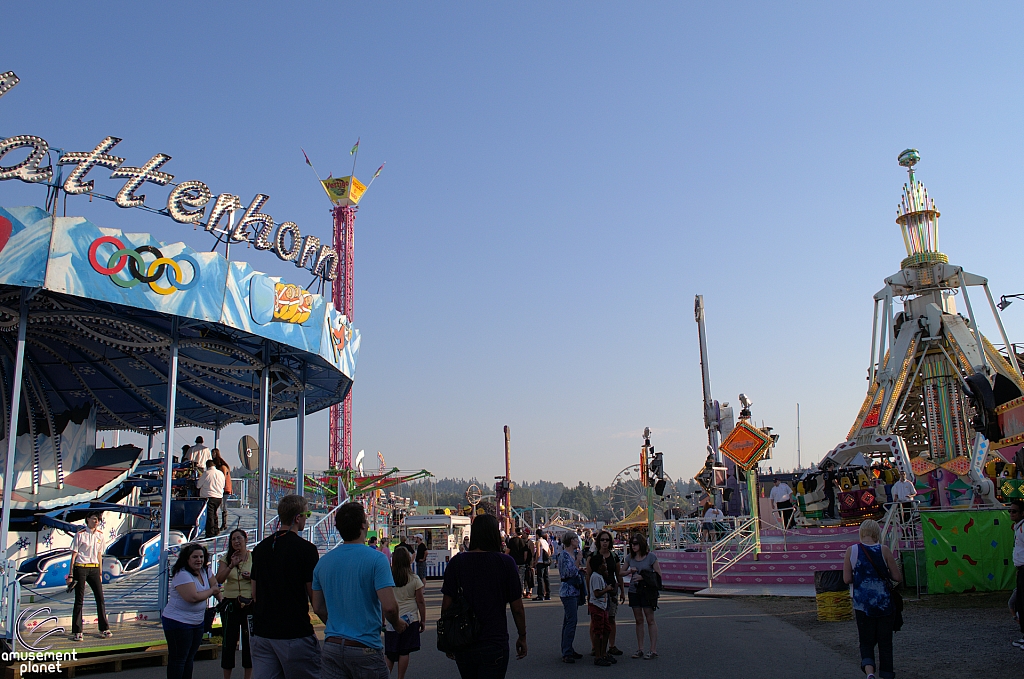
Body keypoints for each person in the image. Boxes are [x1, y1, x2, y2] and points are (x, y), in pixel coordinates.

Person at [311, 502, 405, 679]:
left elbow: (317, 607)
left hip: (332, 645)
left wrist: (336, 624)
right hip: (365, 646)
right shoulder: (377, 560)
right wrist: (397, 623)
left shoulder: (323, 563)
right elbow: (390, 607)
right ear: (363, 525)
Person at [441, 514, 527, 678]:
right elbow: (517, 608)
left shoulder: (457, 563)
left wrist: (448, 638)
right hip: (494, 640)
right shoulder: (505, 563)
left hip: (464, 639)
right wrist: (522, 635)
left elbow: (446, 605)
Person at [250, 495, 320, 679]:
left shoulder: (260, 548)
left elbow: (254, 593)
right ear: (298, 518)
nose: (306, 519)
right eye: (307, 514)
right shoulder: (306, 550)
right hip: (293, 632)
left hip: (263, 632)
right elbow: (314, 596)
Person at [843, 518, 902, 679]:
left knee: (866, 641)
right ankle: (887, 674)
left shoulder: (851, 551)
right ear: (877, 533)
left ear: (861, 533)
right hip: (884, 604)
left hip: (862, 604)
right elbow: (897, 577)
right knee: (885, 643)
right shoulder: (884, 550)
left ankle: (870, 672)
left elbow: (846, 579)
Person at [163, 543, 221, 679]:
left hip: (197, 622)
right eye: (195, 557)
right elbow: (193, 597)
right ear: (187, 558)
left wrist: (221, 600)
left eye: (201, 557)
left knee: (189, 658)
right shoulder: (182, 574)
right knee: (179, 659)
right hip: (178, 622)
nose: (199, 560)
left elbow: (214, 584)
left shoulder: (205, 571)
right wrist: (212, 591)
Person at [66, 512, 111, 641]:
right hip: (81, 567)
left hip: (94, 568)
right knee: (79, 599)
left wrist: (101, 572)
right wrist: (71, 574)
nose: (96, 522)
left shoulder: (100, 535)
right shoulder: (80, 535)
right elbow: (74, 555)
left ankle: (104, 628)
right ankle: (77, 630)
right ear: (88, 519)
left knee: (100, 598)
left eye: (98, 520)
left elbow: (99, 554)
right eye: (94, 519)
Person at [383, 545, 426, 678]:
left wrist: (382, 619)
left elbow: (383, 600)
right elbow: (420, 601)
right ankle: (400, 677)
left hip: (392, 619)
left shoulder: (387, 578)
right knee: (404, 651)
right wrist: (423, 619)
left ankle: (385, 676)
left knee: (390, 653)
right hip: (410, 618)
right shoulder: (414, 579)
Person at [216, 529, 253, 679]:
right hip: (231, 603)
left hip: (249, 602)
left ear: (245, 539)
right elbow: (219, 580)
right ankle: (227, 676)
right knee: (229, 641)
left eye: (239, 538)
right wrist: (231, 565)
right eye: (233, 539)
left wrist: (252, 576)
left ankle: (247, 676)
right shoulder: (226, 559)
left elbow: (262, 578)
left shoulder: (253, 557)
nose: (236, 542)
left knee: (249, 641)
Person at [625, 533, 661, 659]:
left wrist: (643, 577)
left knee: (650, 619)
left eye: (635, 544)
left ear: (641, 544)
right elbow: (621, 572)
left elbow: (658, 575)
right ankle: (640, 648)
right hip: (634, 590)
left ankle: (653, 649)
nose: (633, 546)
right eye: (631, 544)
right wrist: (630, 571)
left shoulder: (651, 557)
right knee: (638, 620)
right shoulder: (630, 558)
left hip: (647, 591)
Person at [592, 530, 624, 656]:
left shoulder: (613, 556)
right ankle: (596, 647)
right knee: (596, 620)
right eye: (602, 540)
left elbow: (618, 574)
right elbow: (589, 575)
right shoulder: (594, 556)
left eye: (607, 540)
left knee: (611, 618)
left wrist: (621, 590)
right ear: (598, 542)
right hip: (598, 591)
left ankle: (611, 645)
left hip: (611, 590)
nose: (605, 542)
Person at [556, 531, 583, 663]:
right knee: (571, 621)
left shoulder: (573, 554)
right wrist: (578, 562)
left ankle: (568, 648)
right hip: (568, 591)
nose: (578, 541)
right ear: (571, 541)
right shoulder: (564, 556)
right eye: (576, 539)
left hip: (575, 590)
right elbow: (569, 573)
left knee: (568, 620)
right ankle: (566, 651)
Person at [588, 554, 616, 666]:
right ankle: (598, 655)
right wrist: (607, 589)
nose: (606, 565)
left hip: (602, 606)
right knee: (598, 630)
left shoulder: (600, 576)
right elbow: (596, 593)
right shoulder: (595, 577)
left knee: (606, 629)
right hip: (597, 606)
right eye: (604, 563)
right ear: (599, 566)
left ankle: (604, 653)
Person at [1009, 500, 1024, 649]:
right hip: (1021, 569)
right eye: (1010, 511)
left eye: (1014, 511)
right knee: (1019, 602)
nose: (1011, 514)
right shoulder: (1018, 528)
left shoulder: (1022, 529)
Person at [197, 460, 225, 538]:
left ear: (207, 466)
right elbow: (223, 484)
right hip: (219, 497)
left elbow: (198, 485)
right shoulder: (220, 473)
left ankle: (210, 533)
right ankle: (216, 530)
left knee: (210, 516)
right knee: (214, 514)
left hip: (209, 496)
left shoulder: (206, 473)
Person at [211, 448, 233, 531]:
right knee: (221, 505)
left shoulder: (222, 467)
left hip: (224, 488)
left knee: (223, 506)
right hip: (222, 488)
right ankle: (222, 524)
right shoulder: (222, 466)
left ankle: (224, 524)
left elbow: (223, 478)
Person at [506, 528, 530, 598]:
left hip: (513, 562)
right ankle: (521, 592)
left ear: (516, 532)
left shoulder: (512, 541)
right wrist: (524, 560)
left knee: (513, 577)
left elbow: (507, 551)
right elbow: (525, 553)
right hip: (521, 562)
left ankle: (513, 591)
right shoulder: (523, 542)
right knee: (521, 578)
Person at [533, 529, 551, 601]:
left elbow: (538, 553)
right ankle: (548, 594)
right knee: (546, 578)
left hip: (540, 562)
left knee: (540, 578)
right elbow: (549, 551)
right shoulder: (545, 542)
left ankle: (540, 595)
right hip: (546, 562)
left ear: (537, 535)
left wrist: (535, 561)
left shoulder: (538, 542)